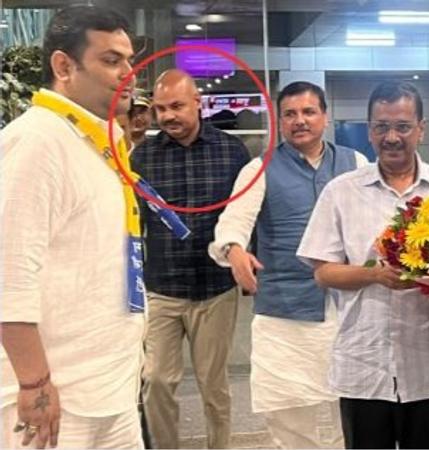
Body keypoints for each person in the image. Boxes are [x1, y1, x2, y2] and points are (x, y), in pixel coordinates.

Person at [0, 5, 146, 449]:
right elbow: (8, 273)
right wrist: (34, 384)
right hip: (54, 398)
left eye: (129, 60)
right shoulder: (36, 141)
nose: (129, 73)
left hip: (111, 391)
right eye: (110, 60)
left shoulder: (99, 143)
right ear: (63, 66)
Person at [296, 81, 429, 449]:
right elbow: (323, 271)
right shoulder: (341, 191)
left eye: (403, 126)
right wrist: (375, 275)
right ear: (369, 130)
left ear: (421, 128)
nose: (392, 137)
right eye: (381, 127)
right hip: (364, 365)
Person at [208, 81, 366, 448]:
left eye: (309, 112)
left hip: (348, 309)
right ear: (279, 121)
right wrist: (234, 250)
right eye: (290, 114)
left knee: (354, 413)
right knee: (290, 422)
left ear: (325, 117)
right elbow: (232, 222)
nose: (300, 121)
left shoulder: (354, 163)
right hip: (284, 317)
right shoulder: (258, 169)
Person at [132, 69, 251, 449]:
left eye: (178, 106)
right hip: (162, 287)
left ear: (198, 103)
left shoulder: (232, 151)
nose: (169, 116)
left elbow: (245, 213)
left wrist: (245, 259)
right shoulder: (143, 156)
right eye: (161, 108)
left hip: (214, 289)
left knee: (214, 386)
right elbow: (130, 222)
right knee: (157, 381)